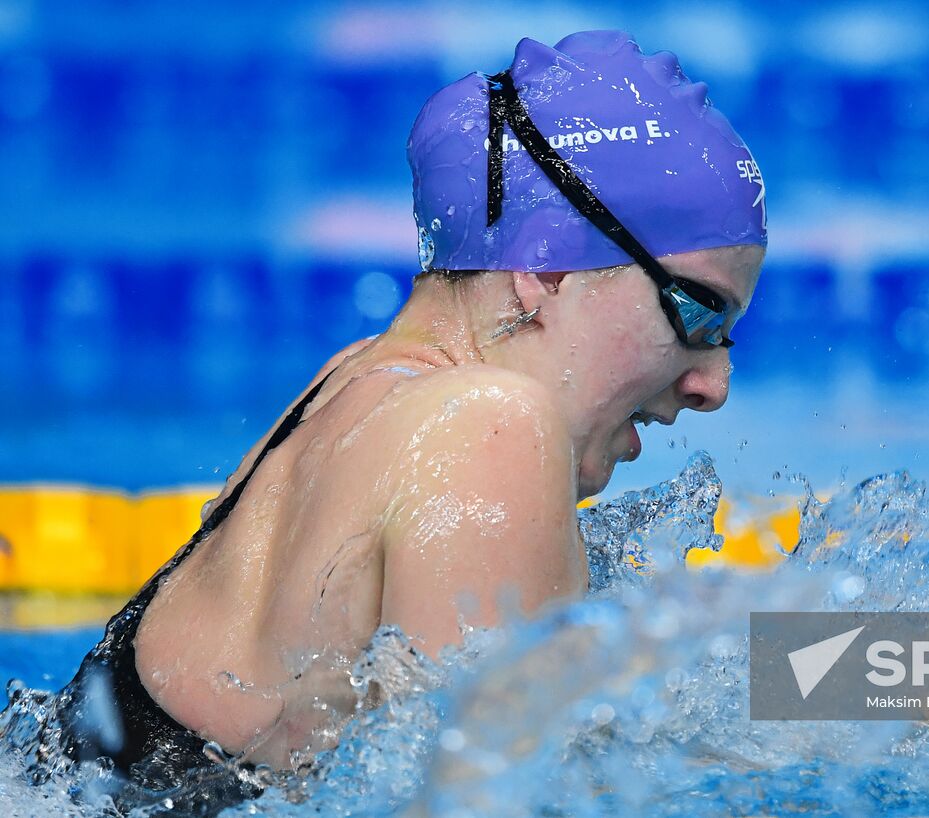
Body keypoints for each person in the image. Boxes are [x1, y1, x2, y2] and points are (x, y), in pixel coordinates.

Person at [43, 29, 767, 814]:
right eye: (699, 312)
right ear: (550, 264)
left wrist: (896, 680)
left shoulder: (349, 387)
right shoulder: (490, 424)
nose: (713, 383)